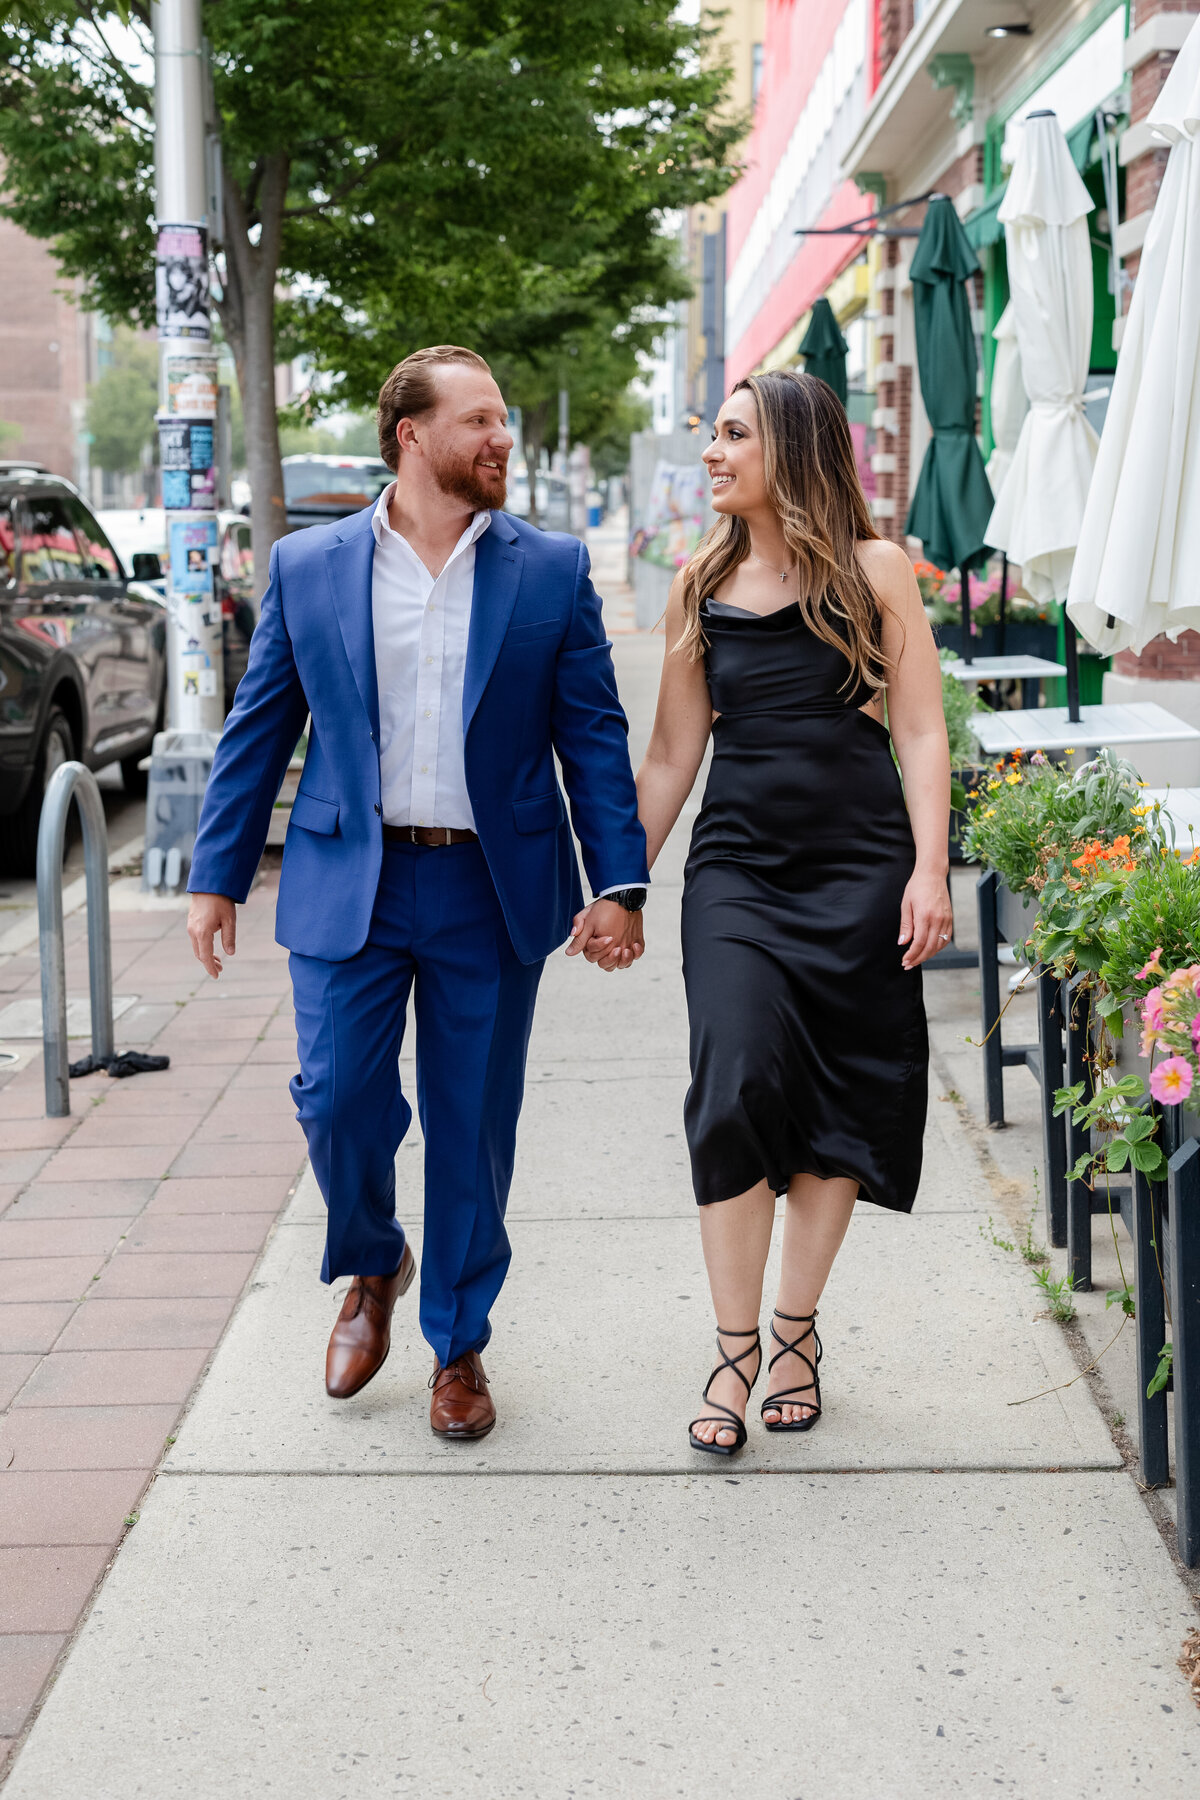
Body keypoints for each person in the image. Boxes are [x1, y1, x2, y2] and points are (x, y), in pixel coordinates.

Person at [186, 345, 648, 1440]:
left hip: (491, 886)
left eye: (502, 420)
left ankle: (459, 1344)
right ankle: (373, 1259)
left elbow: (591, 734)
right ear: (413, 435)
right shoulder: (309, 568)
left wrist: (617, 881)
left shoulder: (549, 569)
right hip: (354, 877)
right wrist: (217, 873)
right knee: (338, 1099)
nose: (502, 439)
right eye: (480, 421)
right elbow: (260, 730)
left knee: (472, 1124)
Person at [634, 369, 951, 1456]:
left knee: (836, 1101)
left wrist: (930, 870)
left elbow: (918, 731)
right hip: (739, 872)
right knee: (734, 1086)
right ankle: (732, 1353)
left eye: (732, 436)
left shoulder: (876, 571)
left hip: (862, 866)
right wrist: (623, 885)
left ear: (795, 447)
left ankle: (796, 1332)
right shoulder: (699, 583)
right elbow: (675, 752)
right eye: (712, 436)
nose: (713, 454)